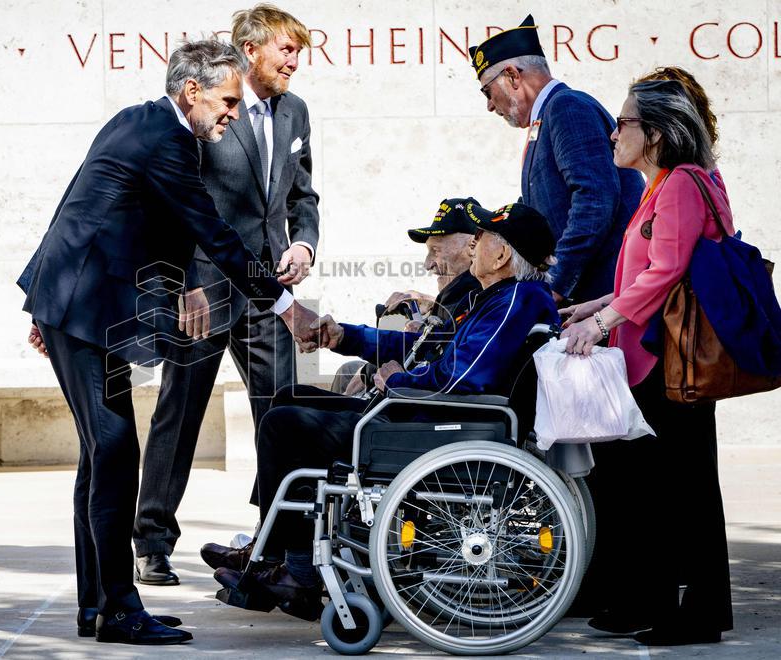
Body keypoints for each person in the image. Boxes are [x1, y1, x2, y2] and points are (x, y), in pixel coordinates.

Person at [16, 40, 320, 645]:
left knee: (100, 454)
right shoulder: (170, 139)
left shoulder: (138, 120)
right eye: (228, 101)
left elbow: (129, 210)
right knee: (114, 449)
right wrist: (286, 306)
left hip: (74, 305)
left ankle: (97, 605)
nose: (235, 112)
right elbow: (206, 224)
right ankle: (120, 609)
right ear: (192, 92)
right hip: (82, 307)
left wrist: (43, 299)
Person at [205, 201, 560, 619]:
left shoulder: (514, 299)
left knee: (285, 425)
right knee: (290, 399)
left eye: (480, 239)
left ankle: (294, 572)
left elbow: (459, 379)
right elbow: (422, 349)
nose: (473, 246)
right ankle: (275, 551)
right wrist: (343, 338)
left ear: (501, 255)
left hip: (435, 428)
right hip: (430, 419)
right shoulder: (497, 297)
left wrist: (397, 381)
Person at [133, 4, 319, 587]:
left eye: (298, 52)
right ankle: (153, 540)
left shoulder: (297, 113)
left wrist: (305, 246)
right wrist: (185, 280)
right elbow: (176, 201)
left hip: (269, 290)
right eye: (285, 50)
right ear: (251, 48)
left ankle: (278, 541)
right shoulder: (214, 105)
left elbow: (304, 195)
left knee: (282, 412)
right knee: (180, 411)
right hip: (206, 288)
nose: (295, 62)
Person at [561, 77, 734, 646]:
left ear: (655, 133)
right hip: (649, 359)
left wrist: (601, 324)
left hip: (670, 361)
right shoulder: (660, 186)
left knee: (684, 490)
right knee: (654, 489)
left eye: (625, 121)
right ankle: (649, 600)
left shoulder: (682, 183)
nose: (614, 132)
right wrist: (596, 303)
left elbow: (666, 274)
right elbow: (648, 272)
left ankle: (700, 612)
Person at [469, 15, 644, 305]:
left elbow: (595, 199)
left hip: (599, 295)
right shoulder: (547, 117)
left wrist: (557, 285)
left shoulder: (566, 106)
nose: (489, 105)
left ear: (513, 75)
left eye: (488, 91)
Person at [332, 197, 481, 396]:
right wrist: (429, 303)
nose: (427, 264)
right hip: (409, 385)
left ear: (471, 247)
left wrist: (374, 373)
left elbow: (438, 363)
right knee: (349, 370)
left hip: (414, 400)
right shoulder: (458, 293)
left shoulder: (471, 299)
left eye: (435, 251)